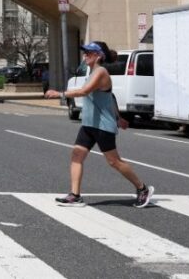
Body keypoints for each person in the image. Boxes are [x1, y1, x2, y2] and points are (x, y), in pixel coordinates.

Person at [44, 41, 153, 208]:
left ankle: (142, 188)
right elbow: (110, 97)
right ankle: (75, 195)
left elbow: (84, 91)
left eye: (89, 52)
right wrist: (119, 117)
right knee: (77, 155)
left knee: (114, 161)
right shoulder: (93, 72)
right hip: (89, 124)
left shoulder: (101, 72)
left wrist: (59, 93)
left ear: (99, 55)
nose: (85, 55)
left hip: (102, 125)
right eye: (85, 52)